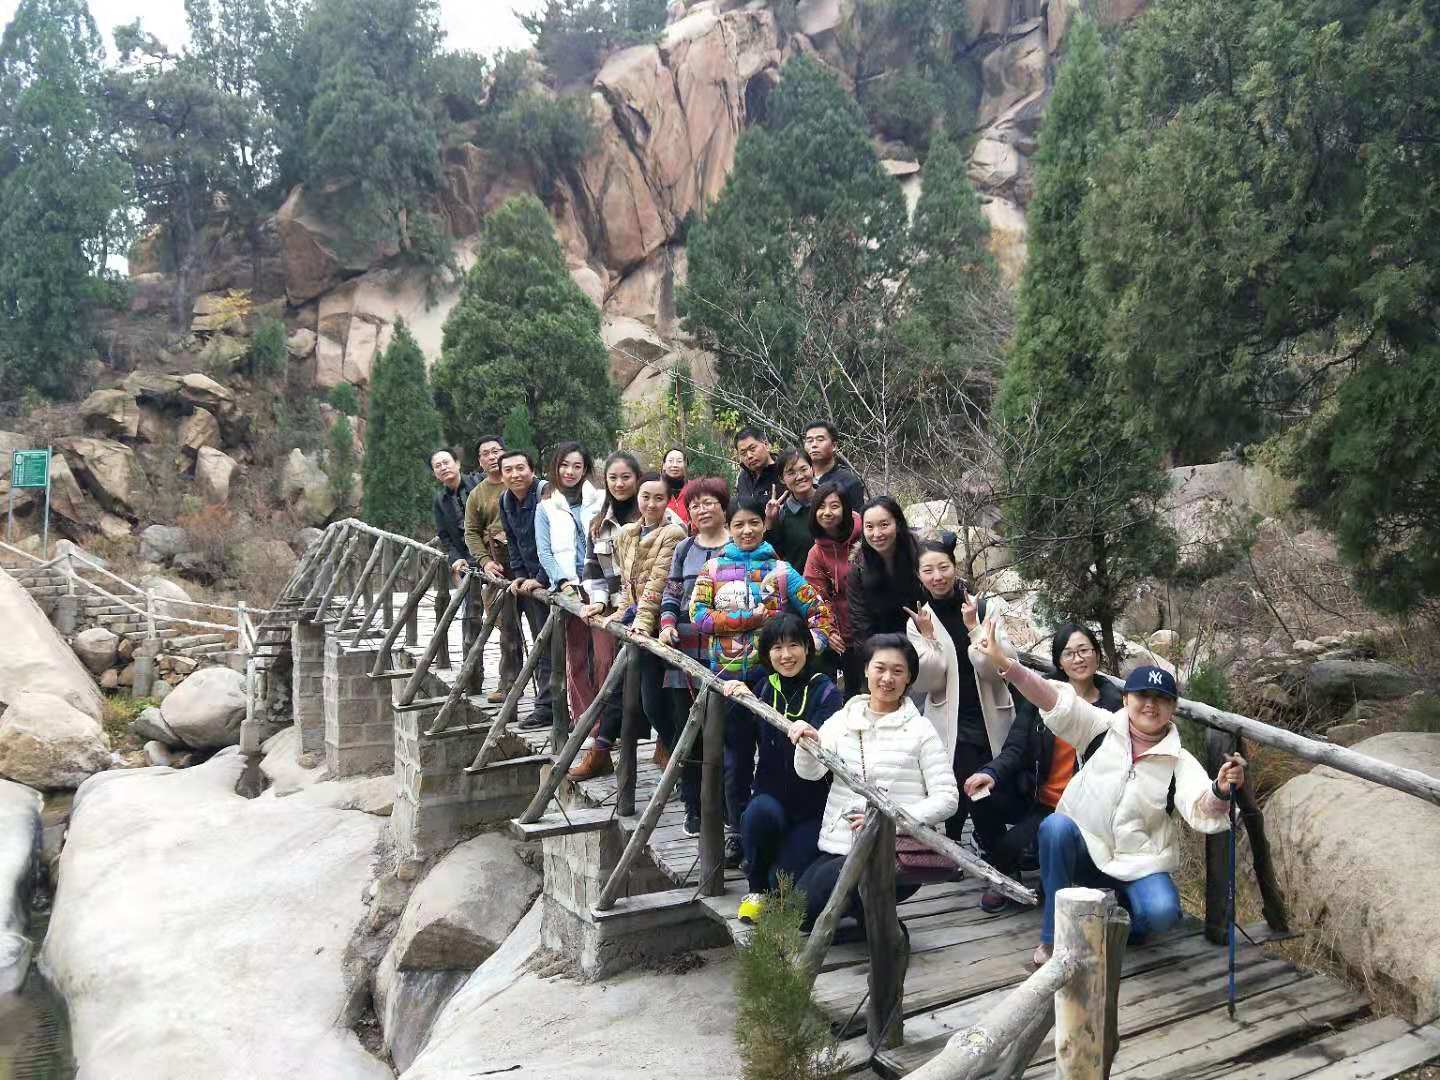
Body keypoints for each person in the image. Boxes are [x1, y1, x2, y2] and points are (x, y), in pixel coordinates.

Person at [975, 619, 1245, 968]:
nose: (1150, 705)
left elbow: (1201, 805)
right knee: (1055, 827)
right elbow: (1053, 700)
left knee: (1162, 913)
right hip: (1087, 848)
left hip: (1139, 860)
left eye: (1161, 699)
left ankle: (1113, 929)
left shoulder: (1179, 760)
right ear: (1126, 699)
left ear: (1173, 707)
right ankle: (1054, 937)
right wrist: (1006, 664)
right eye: (1142, 696)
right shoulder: (1101, 727)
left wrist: (1220, 790)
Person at [691, 496, 836, 864]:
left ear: (764, 524)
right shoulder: (712, 569)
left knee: (779, 754)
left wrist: (807, 648)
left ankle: (789, 826)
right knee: (735, 760)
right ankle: (739, 832)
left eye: (754, 523)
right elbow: (699, 617)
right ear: (728, 527)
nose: (747, 531)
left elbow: (820, 614)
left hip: (773, 679)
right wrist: (750, 620)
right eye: (739, 524)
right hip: (727, 680)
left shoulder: (782, 572)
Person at [790, 634, 959, 931]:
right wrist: (807, 745)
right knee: (799, 911)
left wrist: (889, 820)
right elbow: (810, 773)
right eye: (880, 668)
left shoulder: (921, 730)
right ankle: (873, 924)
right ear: (866, 669)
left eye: (898, 671)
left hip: (895, 852)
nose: (887, 678)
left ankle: (882, 928)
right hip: (841, 845)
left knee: (816, 902)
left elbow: (947, 798)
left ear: (909, 678)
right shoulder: (842, 720)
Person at [962, 623, 1123, 911]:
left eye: (1084, 650)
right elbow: (1015, 748)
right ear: (1059, 661)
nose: (1078, 659)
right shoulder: (1043, 695)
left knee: (1013, 846)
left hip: (1075, 810)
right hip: (1036, 795)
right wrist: (991, 773)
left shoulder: (1115, 708)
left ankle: (1013, 867)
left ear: (1097, 655)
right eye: (1069, 653)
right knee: (979, 792)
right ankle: (1008, 870)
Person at [905, 538, 1020, 909]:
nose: (937, 576)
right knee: (974, 786)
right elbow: (927, 680)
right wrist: (927, 638)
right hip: (950, 721)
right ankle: (1002, 868)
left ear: (955, 567)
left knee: (983, 789)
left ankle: (998, 860)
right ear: (919, 576)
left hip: (991, 716)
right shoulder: (920, 619)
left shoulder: (983, 608)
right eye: (928, 570)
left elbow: (996, 667)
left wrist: (975, 628)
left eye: (943, 567)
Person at [721, 614, 841, 924]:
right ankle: (755, 890)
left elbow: (830, 740)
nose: (786, 655)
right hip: (770, 796)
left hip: (813, 808)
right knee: (758, 814)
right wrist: (739, 702)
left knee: (784, 885)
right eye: (777, 648)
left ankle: (774, 878)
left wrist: (811, 732)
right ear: (767, 654)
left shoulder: (825, 690)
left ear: (807, 648)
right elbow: (738, 745)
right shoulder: (762, 689)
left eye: (793, 646)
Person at [574, 470, 685, 779]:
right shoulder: (626, 534)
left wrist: (641, 622)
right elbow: (628, 583)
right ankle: (668, 756)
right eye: (646, 497)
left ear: (668, 500)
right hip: (638, 623)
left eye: (659, 498)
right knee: (636, 694)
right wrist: (620, 613)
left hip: (662, 624)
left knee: (656, 701)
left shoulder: (673, 534)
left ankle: (680, 759)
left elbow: (658, 584)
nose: (651, 504)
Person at [658, 478, 732, 835]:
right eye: (695, 505)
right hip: (685, 653)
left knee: (728, 735)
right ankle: (693, 805)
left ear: (723, 506)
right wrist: (667, 622)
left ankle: (727, 805)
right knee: (687, 731)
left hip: (729, 657)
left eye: (709, 502)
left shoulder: (738, 546)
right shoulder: (684, 548)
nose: (702, 510)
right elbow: (671, 592)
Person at [534, 443, 606, 730]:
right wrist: (562, 582)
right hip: (569, 588)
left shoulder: (600, 499)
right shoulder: (545, 507)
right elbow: (544, 552)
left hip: (599, 584)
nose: (570, 471)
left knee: (603, 655)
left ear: (585, 469)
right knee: (576, 655)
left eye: (577, 466)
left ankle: (607, 720)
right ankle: (585, 720)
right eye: (564, 465)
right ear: (555, 467)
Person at [488, 449, 553, 731]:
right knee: (541, 642)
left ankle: (553, 708)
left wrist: (540, 577)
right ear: (501, 475)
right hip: (530, 583)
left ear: (532, 470)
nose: (515, 475)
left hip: (554, 581)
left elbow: (556, 540)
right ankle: (547, 706)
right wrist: (520, 575)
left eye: (520, 468)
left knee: (555, 645)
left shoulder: (544, 494)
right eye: (508, 470)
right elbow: (513, 542)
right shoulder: (506, 501)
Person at [463, 435, 522, 704]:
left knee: (543, 627)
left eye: (496, 451)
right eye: (485, 453)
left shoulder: (521, 483)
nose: (491, 456)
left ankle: (549, 694)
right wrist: (485, 561)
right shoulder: (478, 494)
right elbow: (471, 532)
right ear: (480, 461)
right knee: (506, 628)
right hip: (499, 567)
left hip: (529, 565)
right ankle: (508, 685)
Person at [846, 496, 925, 696]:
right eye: (869, 527)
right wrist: (877, 665)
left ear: (897, 523)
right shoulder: (858, 568)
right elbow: (860, 625)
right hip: (882, 651)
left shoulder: (920, 556)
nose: (877, 534)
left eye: (884, 525)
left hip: (925, 646)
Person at [803, 482, 860, 681]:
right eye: (821, 507)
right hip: (843, 635)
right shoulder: (817, 553)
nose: (827, 512)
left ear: (846, 508)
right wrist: (829, 630)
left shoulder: (865, 536)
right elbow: (814, 597)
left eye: (834, 506)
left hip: (872, 629)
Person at [430, 448, 481, 583]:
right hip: (466, 562)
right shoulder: (440, 501)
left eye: (446, 462)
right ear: (435, 473)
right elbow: (444, 536)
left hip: (492, 556)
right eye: (438, 466)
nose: (443, 468)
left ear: (457, 464)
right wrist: (456, 558)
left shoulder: (478, 484)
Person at [764, 448, 817, 571]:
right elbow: (773, 555)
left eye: (803, 469)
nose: (799, 477)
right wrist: (770, 521)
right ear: (782, 479)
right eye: (791, 473)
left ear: (812, 469)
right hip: (798, 581)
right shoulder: (782, 514)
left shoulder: (831, 502)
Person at [802, 421, 866, 508]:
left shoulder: (849, 482)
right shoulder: (799, 479)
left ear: (834, 446)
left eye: (820, 440)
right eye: (809, 440)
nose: (814, 445)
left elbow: (856, 515)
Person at [733, 426, 782, 503]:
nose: (749, 456)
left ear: (766, 444)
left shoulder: (783, 472)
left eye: (752, 449)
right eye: (743, 453)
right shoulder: (743, 478)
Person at [661, 447, 690, 526]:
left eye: (679, 461)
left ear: (685, 465)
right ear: (664, 465)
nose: (675, 465)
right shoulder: (656, 489)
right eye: (670, 461)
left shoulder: (693, 489)